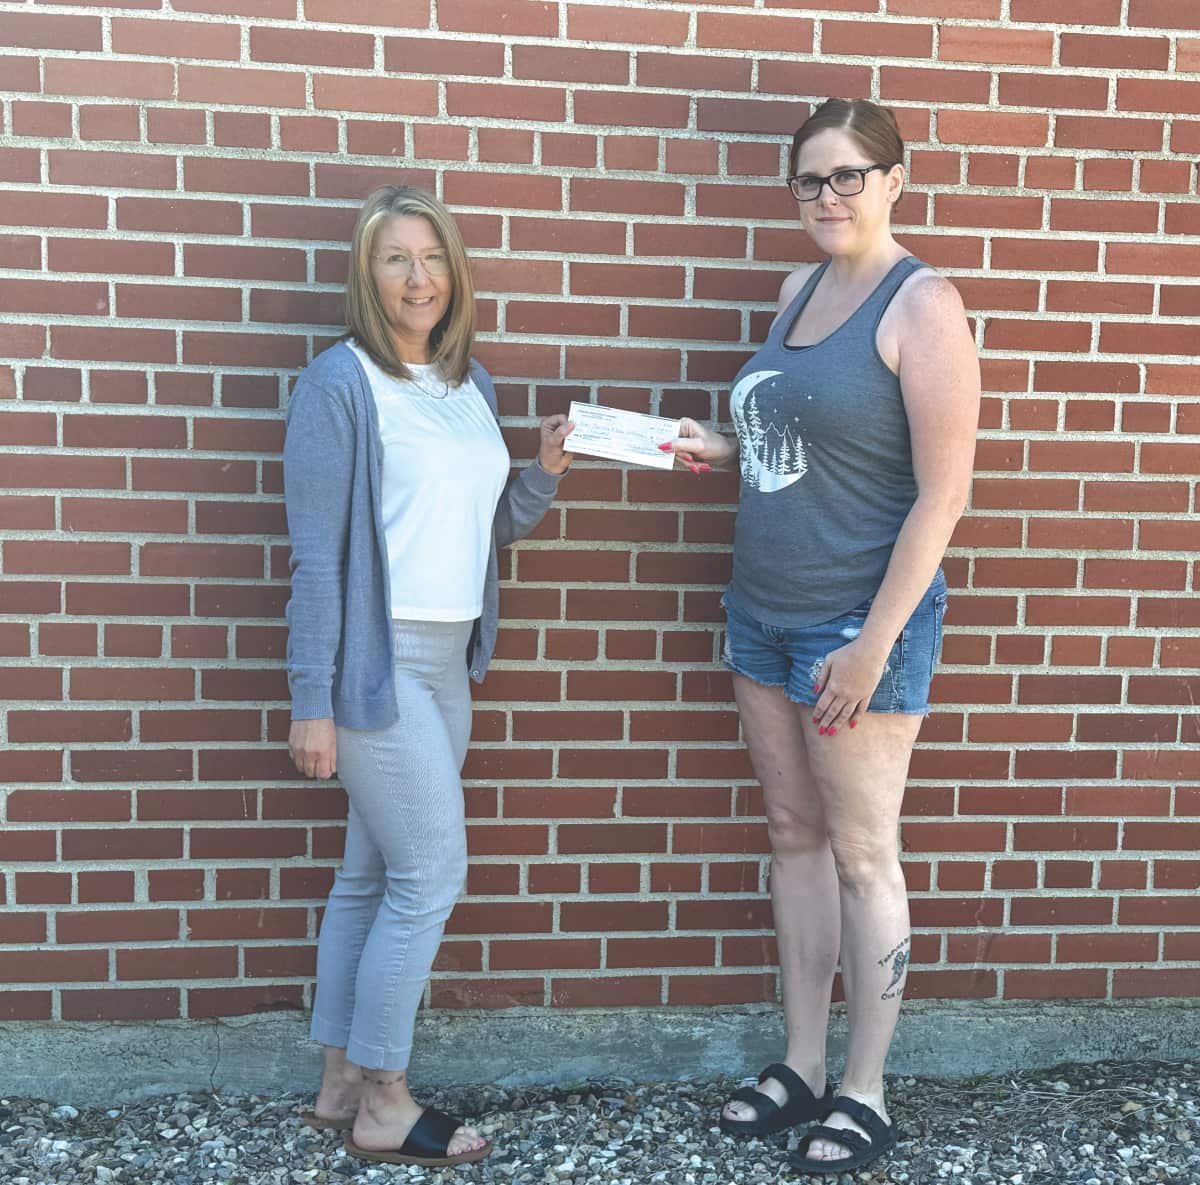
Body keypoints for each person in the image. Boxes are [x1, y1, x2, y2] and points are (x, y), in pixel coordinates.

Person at [662, 98, 980, 1174]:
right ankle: (801, 1064)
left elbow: (942, 496)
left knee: (862, 853)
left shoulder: (922, 304)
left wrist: (874, 644)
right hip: (761, 615)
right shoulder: (794, 292)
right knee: (793, 835)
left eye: (848, 175)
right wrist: (719, 445)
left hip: (856, 629)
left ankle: (865, 1089)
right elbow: (790, 437)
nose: (828, 196)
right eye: (810, 179)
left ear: (894, 181)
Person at [283, 185, 572, 1168]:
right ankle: (385, 1099)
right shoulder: (339, 384)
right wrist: (312, 701)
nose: (419, 278)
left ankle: (337, 1083)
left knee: (371, 874)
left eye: (433, 256)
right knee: (430, 874)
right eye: (396, 258)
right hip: (376, 668)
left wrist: (542, 474)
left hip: (448, 666)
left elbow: (482, 532)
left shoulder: (467, 383)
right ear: (366, 275)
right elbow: (316, 562)